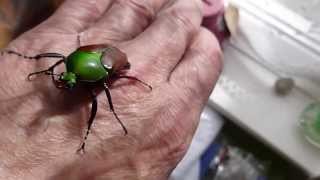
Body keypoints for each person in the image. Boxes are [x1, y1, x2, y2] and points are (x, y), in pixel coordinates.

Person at [0, 0, 222, 179]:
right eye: (66, 79)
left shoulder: (98, 77)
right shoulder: (70, 62)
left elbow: (100, 85)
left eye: (69, 81)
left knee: (99, 95)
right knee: (61, 60)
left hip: (111, 60)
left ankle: (93, 126)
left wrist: (112, 115)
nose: (65, 82)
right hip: (91, 57)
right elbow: (64, 61)